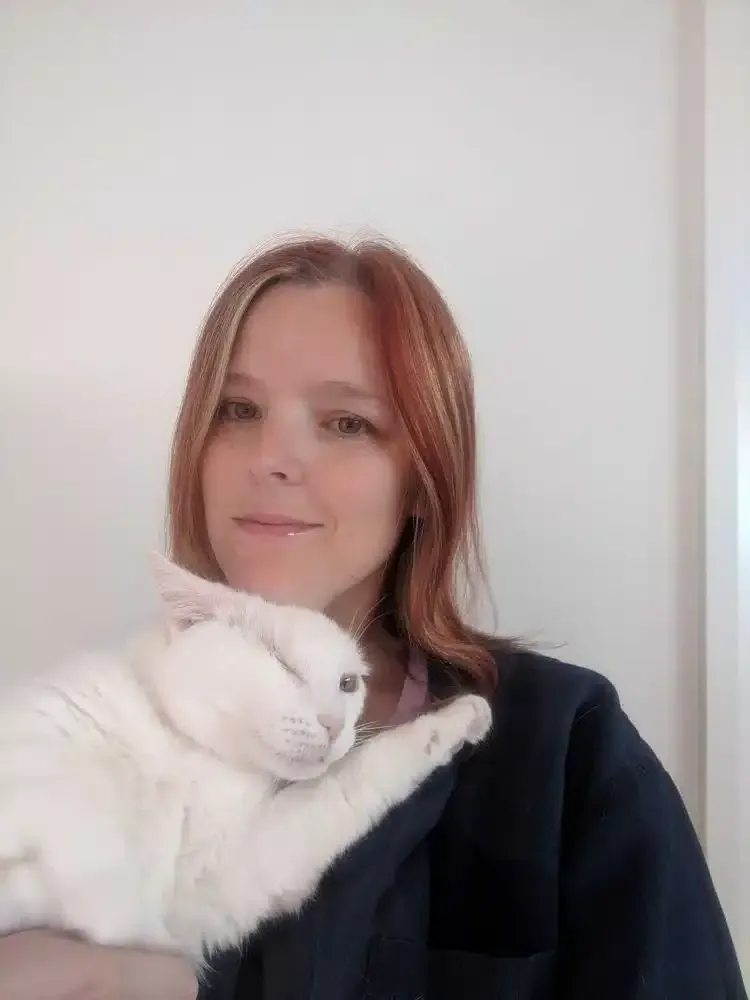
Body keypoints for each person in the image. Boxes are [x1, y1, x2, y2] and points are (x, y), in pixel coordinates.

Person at [1, 235, 745, 1000]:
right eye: (238, 409)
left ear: (424, 478)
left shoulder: (562, 751)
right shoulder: (81, 747)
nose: (272, 457)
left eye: (346, 423)